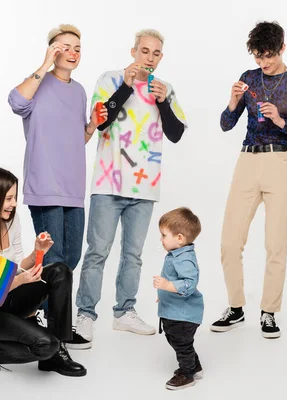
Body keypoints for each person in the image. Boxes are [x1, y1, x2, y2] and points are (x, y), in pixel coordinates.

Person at [74, 28, 188, 344]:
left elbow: (176, 133)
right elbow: (101, 121)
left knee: (133, 255)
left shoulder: (165, 89)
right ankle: (85, 316)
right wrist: (125, 87)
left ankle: (125, 313)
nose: (149, 58)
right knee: (97, 251)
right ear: (133, 51)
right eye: (144, 51)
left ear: (160, 57)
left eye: (155, 53)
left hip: (144, 187)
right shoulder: (110, 79)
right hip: (108, 182)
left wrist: (164, 103)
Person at [210, 21, 287, 338]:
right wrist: (232, 102)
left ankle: (269, 311)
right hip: (247, 159)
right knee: (230, 241)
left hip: (282, 161)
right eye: (258, 56)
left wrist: (281, 120)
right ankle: (236, 307)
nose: (263, 63)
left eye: (268, 55)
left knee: (275, 243)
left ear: (282, 48)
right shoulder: (248, 78)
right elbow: (226, 125)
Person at [7, 24, 106, 338]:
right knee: (57, 258)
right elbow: (15, 103)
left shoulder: (78, 91)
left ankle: (40, 314)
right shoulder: (38, 83)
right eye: (65, 46)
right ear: (52, 50)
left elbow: (79, 138)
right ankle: (57, 329)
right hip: (45, 186)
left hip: (73, 188)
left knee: (71, 257)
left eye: (77, 48)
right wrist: (43, 65)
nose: (73, 53)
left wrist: (93, 124)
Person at [0, 166, 86, 376]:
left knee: (60, 270)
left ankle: (58, 350)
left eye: (14, 197)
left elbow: (15, 268)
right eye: (8, 198)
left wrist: (36, 254)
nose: (14, 204)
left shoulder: (11, 221)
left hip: (9, 297)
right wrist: (21, 280)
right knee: (44, 345)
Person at [153, 208, 204, 390]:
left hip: (183, 315)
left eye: (164, 235)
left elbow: (189, 284)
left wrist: (167, 286)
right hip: (175, 311)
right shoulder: (177, 255)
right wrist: (164, 294)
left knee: (181, 343)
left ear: (180, 238)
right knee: (179, 341)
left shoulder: (185, 259)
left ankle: (187, 373)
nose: (161, 239)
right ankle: (194, 365)